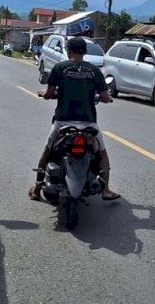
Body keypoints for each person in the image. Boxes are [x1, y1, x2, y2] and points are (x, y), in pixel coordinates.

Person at [28, 36, 120, 201]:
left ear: (68, 51)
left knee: (47, 152)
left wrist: (44, 94)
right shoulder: (94, 71)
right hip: (88, 124)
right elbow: (105, 97)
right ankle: (106, 190)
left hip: (63, 122)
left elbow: (49, 94)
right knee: (102, 154)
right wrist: (108, 98)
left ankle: (36, 189)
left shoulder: (59, 68)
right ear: (84, 52)